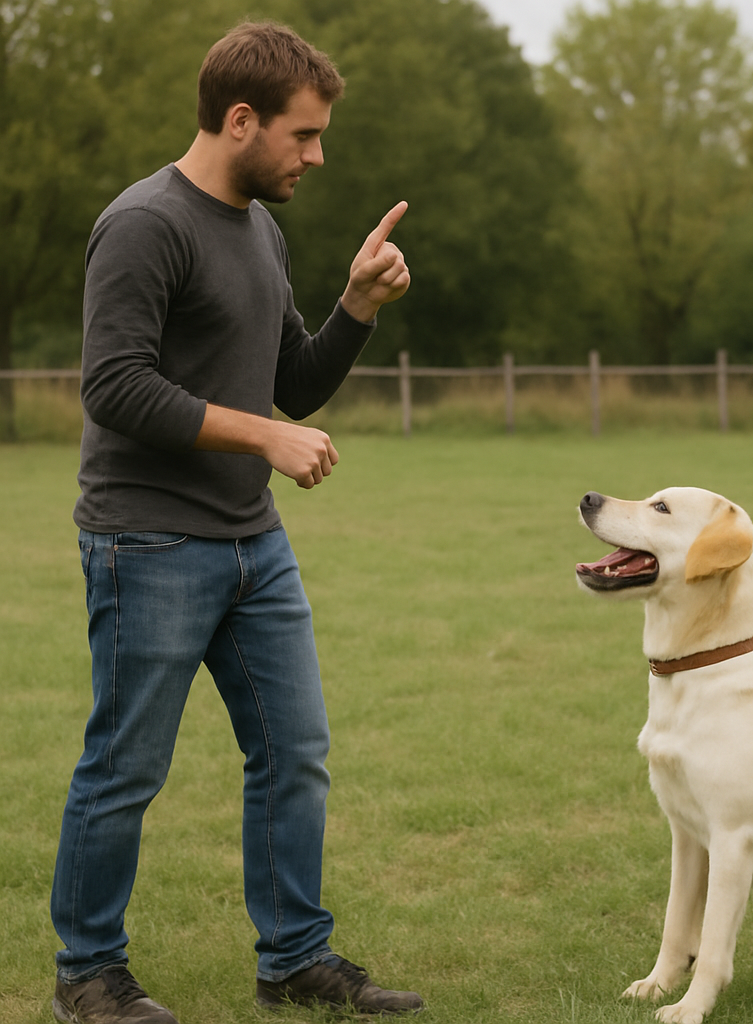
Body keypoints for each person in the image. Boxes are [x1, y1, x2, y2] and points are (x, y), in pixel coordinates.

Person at [50, 21, 421, 1024]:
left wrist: (353, 306)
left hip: (250, 543)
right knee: (124, 767)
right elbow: (114, 385)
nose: (317, 155)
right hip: (147, 540)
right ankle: (88, 975)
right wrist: (258, 437)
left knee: (293, 750)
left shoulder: (260, 229)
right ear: (241, 118)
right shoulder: (144, 223)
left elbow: (289, 386)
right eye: (303, 136)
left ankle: (294, 958)